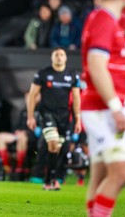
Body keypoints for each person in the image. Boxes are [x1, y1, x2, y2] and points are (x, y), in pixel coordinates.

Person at [80, 0, 125, 216]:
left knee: (102, 174)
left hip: (101, 105)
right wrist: (117, 108)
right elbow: (97, 66)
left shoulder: (103, 20)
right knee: (122, 172)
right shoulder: (104, 21)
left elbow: (110, 74)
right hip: (101, 108)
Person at [26, 47, 81, 190]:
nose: (59, 57)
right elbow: (32, 95)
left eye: (62, 54)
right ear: (52, 57)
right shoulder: (43, 74)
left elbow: (76, 98)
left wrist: (78, 118)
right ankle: (50, 180)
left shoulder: (72, 75)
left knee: (58, 148)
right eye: (56, 54)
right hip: (47, 114)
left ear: (66, 58)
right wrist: (31, 116)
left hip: (64, 116)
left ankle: (50, 180)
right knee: (53, 142)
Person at [0, 92, 40, 180]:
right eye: (27, 97)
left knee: (22, 137)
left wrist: (26, 132)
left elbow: (39, 129)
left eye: (30, 97)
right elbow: (18, 126)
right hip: (20, 135)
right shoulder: (23, 111)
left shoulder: (40, 111)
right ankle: (6, 166)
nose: (28, 99)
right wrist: (17, 132)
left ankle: (20, 166)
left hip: (34, 138)